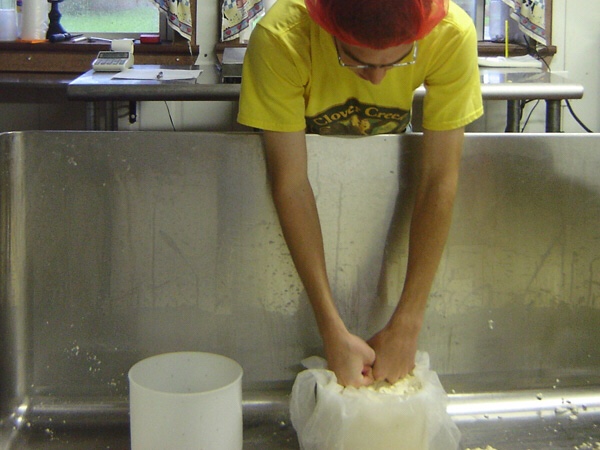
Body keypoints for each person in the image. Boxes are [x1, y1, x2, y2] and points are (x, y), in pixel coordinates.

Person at [237, 0, 483, 387]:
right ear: (328, 31)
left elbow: (439, 179)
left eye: (396, 62)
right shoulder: (282, 39)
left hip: (376, 208)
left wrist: (408, 321)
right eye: (357, 61)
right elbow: (291, 184)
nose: (377, 79)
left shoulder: (450, 33)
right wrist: (330, 328)